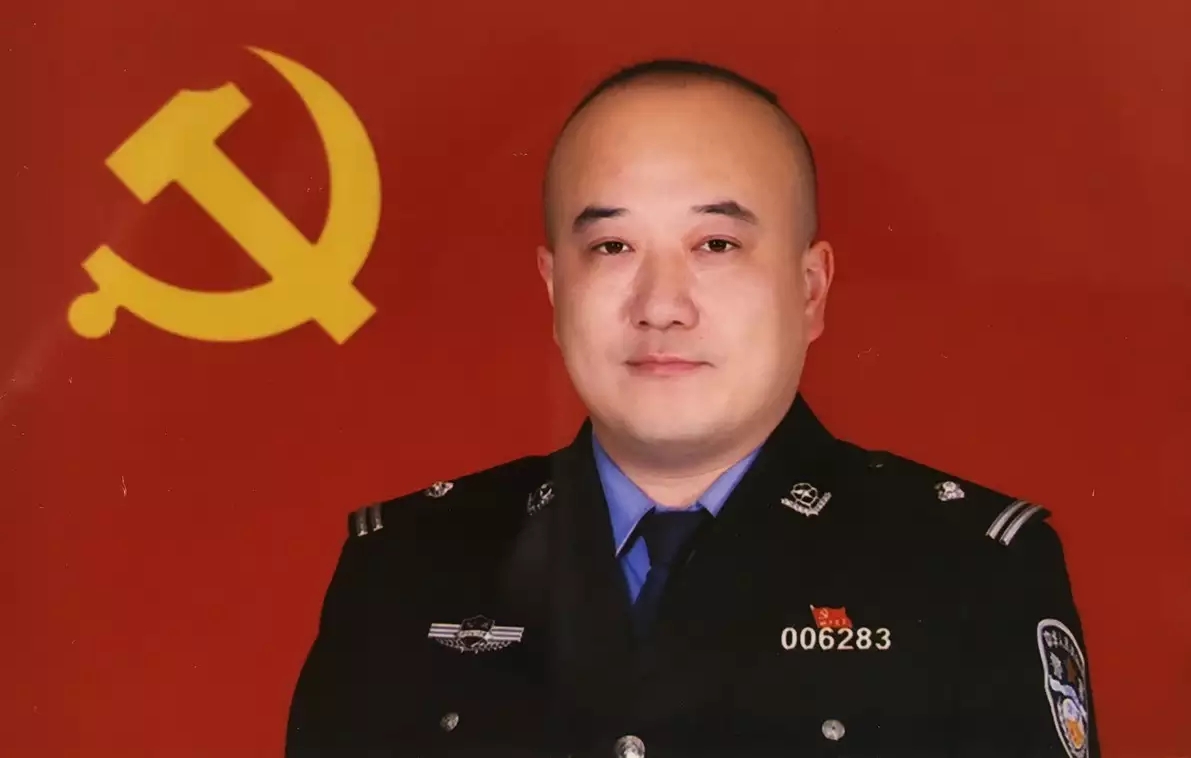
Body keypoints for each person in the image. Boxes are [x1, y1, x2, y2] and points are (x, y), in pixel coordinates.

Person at [285, 59, 1101, 758]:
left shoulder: (965, 571)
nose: (662, 306)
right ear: (554, 289)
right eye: (612, 247)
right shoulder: (406, 569)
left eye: (717, 245)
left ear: (809, 290)